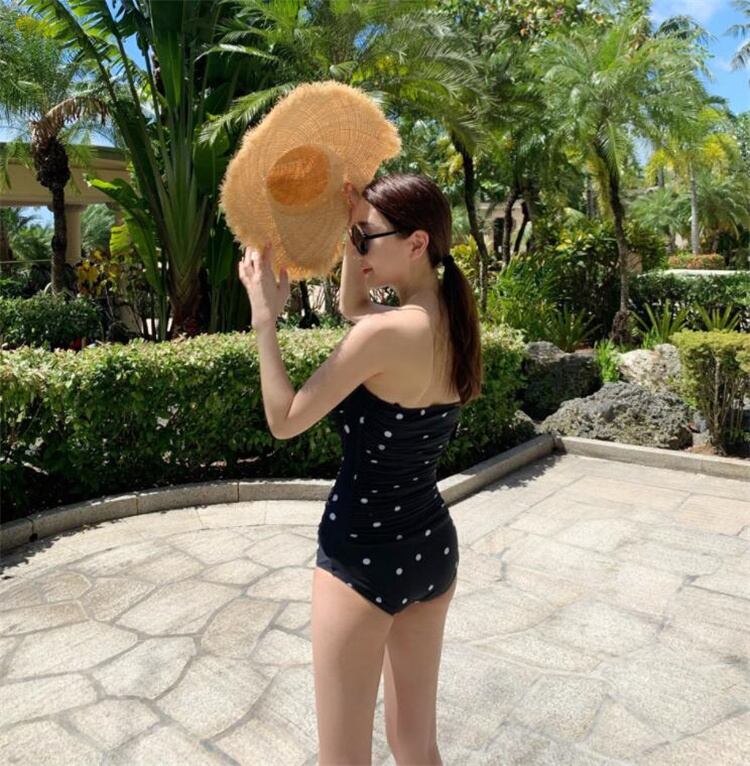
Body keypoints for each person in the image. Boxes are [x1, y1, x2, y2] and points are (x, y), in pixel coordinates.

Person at [239, 172, 483, 766]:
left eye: (366, 238)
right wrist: (358, 225)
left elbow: (285, 419)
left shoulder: (386, 333)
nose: (357, 248)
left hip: (360, 557)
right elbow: (352, 306)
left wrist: (265, 320)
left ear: (417, 243)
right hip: (431, 550)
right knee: (416, 745)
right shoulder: (452, 320)